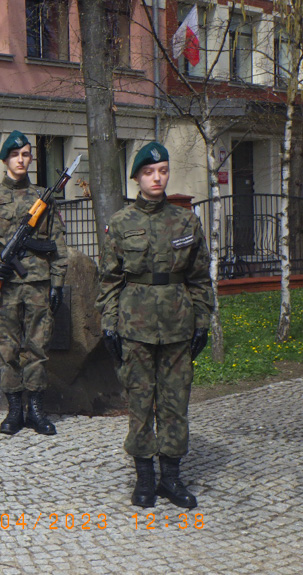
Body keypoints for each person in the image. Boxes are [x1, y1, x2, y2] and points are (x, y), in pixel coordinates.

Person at [96, 141, 213, 509]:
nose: (157, 177)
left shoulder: (185, 221)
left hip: (178, 325)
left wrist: (202, 321)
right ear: (137, 179)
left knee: (176, 404)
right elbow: (109, 280)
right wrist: (109, 324)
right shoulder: (120, 223)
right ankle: (145, 479)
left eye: (162, 170)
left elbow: (199, 277)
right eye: (149, 172)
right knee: (141, 403)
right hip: (135, 327)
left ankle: (172, 479)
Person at [0, 130, 68, 436]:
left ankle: (35, 410)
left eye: (25, 154)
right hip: (6, 287)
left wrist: (57, 284)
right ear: (5, 159)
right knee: (7, 348)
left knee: (38, 348)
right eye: (14, 155)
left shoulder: (42, 199)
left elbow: (57, 244)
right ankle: (13, 411)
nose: (20, 160)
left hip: (38, 285)